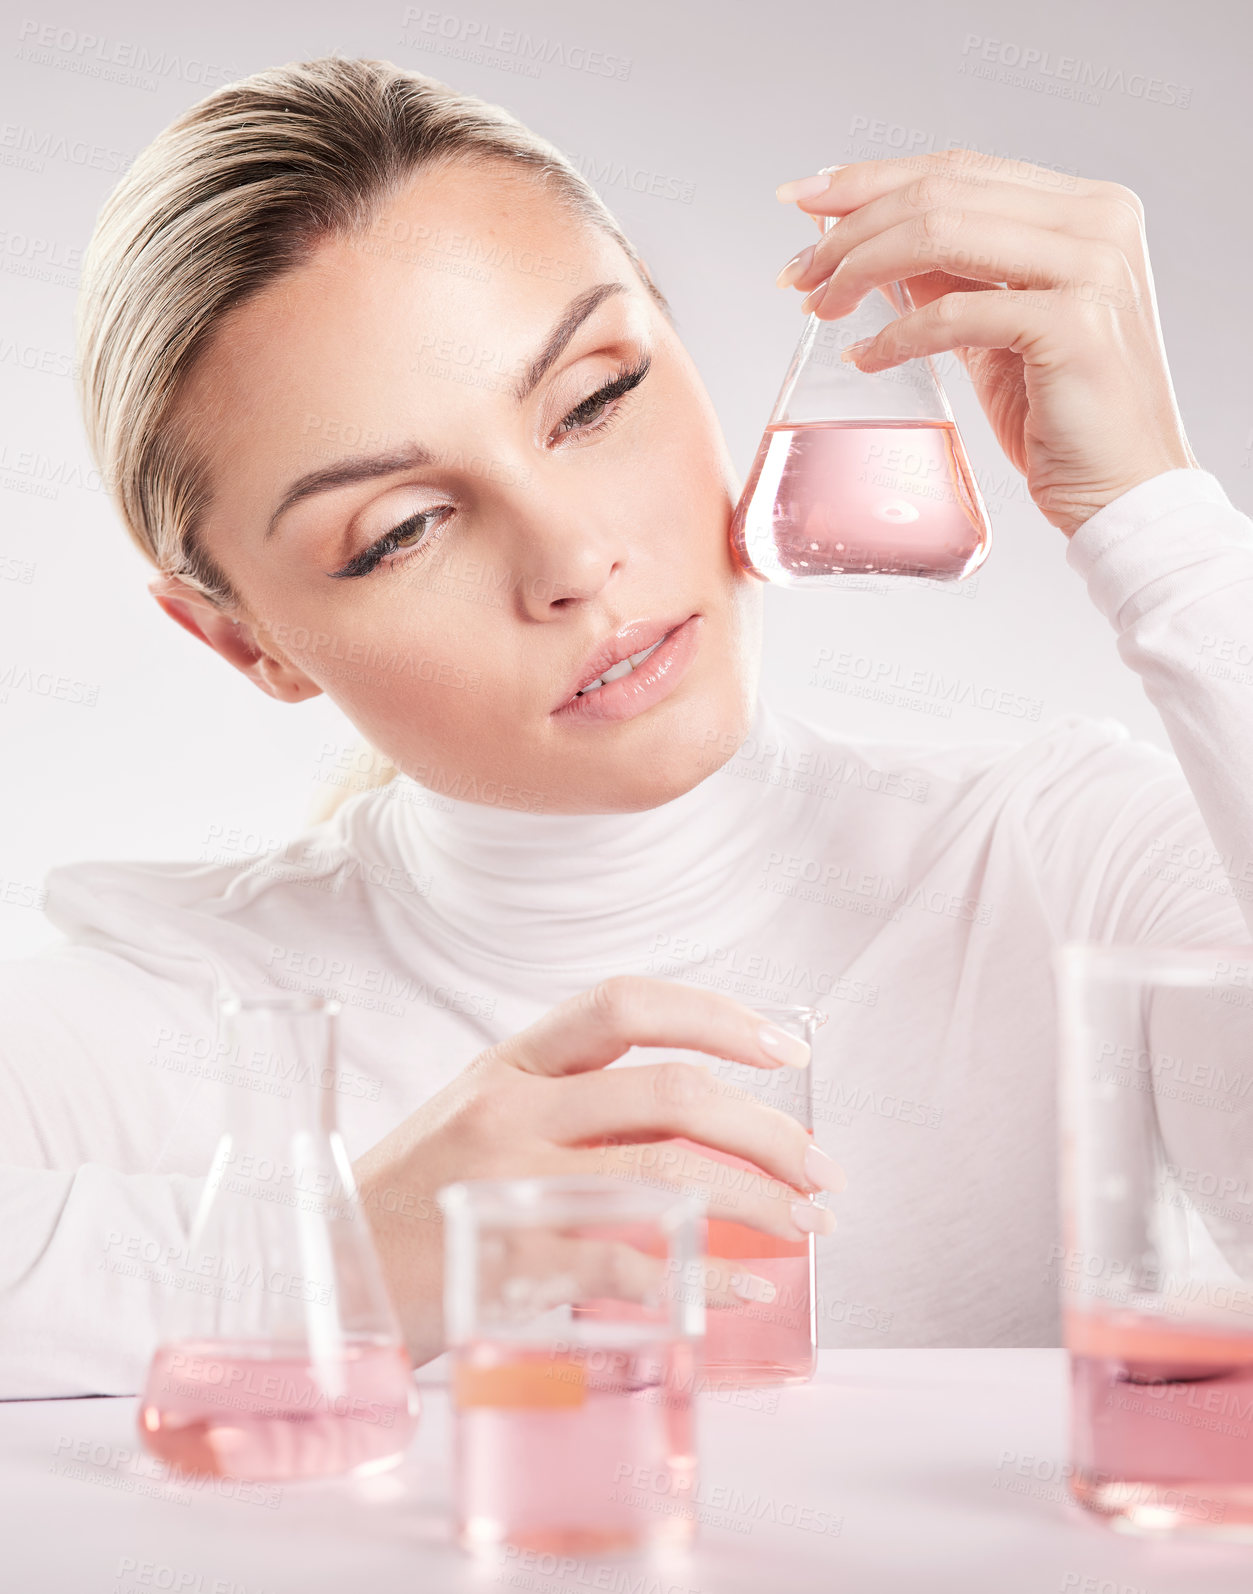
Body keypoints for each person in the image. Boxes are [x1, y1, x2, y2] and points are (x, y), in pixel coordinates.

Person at [2, 55, 1250, 1399]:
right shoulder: (178, 1018)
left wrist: (1157, 520)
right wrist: (340, 1259)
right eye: (399, 530)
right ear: (245, 638)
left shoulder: (1059, 868)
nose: (573, 556)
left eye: (594, 399)